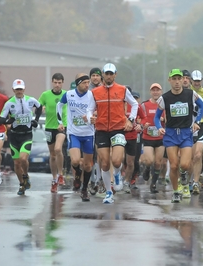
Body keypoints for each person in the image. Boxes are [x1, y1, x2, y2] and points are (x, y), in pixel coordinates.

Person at [87, 63, 138, 204]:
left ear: (115, 75)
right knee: (104, 163)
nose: (108, 76)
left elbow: (134, 104)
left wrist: (131, 120)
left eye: (111, 74)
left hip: (118, 129)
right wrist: (90, 116)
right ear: (103, 74)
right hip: (101, 130)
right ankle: (109, 192)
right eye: (106, 73)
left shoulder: (122, 90)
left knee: (116, 160)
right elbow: (89, 108)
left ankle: (116, 174)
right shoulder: (95, 92)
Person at [154, 69, 203, 203]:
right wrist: (159, 128)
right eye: (174, 79)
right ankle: (176, 191)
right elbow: (156, 117)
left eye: (179, 79)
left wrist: (197, 122)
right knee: (174, 165)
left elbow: (202, 106)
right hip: (170, 133)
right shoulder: (164, 98)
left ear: (183, 80)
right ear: (169, 80)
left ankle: (183, 176)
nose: (177, 82)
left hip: (185, 132)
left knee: (185, 165)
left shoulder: (190, 94)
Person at [0, 79, 42, 195]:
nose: (19, 91)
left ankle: (25, 175)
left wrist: (36, 120)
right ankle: (22, 184)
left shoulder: (30, 100)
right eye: (17, 89)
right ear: (13, 89)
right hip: (14, 136)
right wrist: (9, 120)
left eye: (21, 89)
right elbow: (1, 119)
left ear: (24, 89)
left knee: (23, 159)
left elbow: (39, 107)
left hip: (26, 134)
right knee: (17, 163)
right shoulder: (9, 103)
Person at [56, 73, 95, 201]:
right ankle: (78, 173)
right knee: (75, 161)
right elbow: (59, 106)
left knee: (88, 165)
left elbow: (97, 110)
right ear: (78, 83)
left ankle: (84, 189)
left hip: (88, 133)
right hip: (74, 133)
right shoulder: (68, 94)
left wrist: (92, 117)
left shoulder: (92, 95)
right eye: (84, 83)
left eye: (88, 82)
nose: (87, 85)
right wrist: (60, 122)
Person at [38, 73, 67, 193]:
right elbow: (38, 107)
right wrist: (41, 108)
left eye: (59, 83)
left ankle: (61, 174)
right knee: (52, 155)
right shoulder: (45, 95)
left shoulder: (66, 94)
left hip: (61, 126)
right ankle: (54, 179)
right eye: (55, 82)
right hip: (49, 127)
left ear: (62, 83)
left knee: (58, 149)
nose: (57, 85)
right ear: (52, 82)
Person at [141, 83, 166, 193]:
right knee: (149, 161)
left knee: (158, 162)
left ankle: (153, 184)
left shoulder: (164, 104)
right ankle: (146, 169)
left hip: (160, 138)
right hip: (148, 137)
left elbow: (169, 118)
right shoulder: (144, 105)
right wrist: (143, 124)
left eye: (158, 90)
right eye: (153, 90)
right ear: (150, 92)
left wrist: (164, 120)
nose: (155, 92)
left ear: (161, 91)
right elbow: (139, 118)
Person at [189, 70, 203, 195]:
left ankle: (196, 182)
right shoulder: (187, 92)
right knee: (189, 157)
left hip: (200, 126)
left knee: (198, 155)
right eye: (195, 81)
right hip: (189, 127)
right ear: (191, 80)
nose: (197, 83)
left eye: (199, 81)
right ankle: (188, 181)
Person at [122, 91, 146, 193]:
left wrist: (140, 125)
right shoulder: (117, 104)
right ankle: (116, 179)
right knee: (118, 159)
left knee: (131, 162)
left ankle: (127, 182)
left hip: (132, 136)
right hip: (119, 135)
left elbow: (144, 118)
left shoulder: (136, 106)